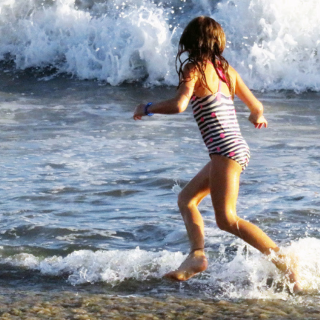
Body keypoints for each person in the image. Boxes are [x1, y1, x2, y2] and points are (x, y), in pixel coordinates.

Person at [133, 16, 301, 292]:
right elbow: (257, 106)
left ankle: (283, 259)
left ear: (190, 42)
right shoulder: (227, 70)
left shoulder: (194, 69)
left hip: (225, 151)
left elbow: (179, 105)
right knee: (187, 199)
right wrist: (256, 117)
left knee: (227, 219)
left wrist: (146, 107)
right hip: (232, 149)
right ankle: (197, 256)